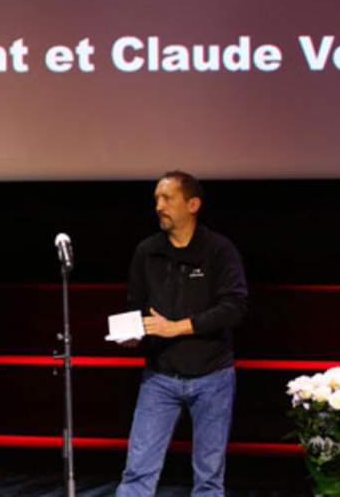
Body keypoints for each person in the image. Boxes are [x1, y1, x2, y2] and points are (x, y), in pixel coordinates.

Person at [115, 170, 248, 497]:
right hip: (160, 377)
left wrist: (177, 327)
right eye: (156, 199)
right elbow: (136, 304)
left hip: (213, 376)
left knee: (209, 476)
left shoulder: (219, 249)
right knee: (137, 471)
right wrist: (134, 332)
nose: (159, 206)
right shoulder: (147, 251)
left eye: (167, 198)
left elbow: (234, 306)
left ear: (193, 204)